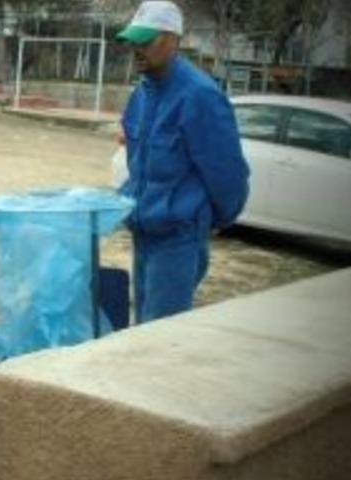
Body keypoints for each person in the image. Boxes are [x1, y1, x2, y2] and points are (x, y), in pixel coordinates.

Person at [116, 1, 250, 323]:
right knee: (141, 333)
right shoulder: (143, 93)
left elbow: (228, 175)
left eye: (145, 41)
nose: (135, 48)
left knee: (158, 341)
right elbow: (139, 167)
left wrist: (203, 219)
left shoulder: (199, 96)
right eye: (132, 40)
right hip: (144, 234)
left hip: (177, 240)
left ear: (172, 40)